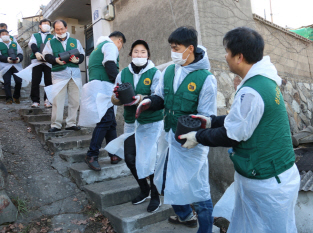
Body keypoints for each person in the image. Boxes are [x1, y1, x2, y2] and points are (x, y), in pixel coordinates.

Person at [179, 27, 300, 233]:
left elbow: (233, 134)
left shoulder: (251, 91)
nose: (225, 56)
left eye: (227, 52)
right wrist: (211, 121)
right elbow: (243, 121)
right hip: (269, 177)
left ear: (239, 57)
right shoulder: (264, 80)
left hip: (268, 182)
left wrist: (198, 136)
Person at [136, 27, 217, 232]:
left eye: (176, 48)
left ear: (190, 48)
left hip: (192, 143)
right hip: (170, 136)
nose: (173, 52)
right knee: (167, 180)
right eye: (171, 47)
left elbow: (207, 117)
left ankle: (205, 229)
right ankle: (185, 215)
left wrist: (195, 136)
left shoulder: (206, 78)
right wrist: (149, 103)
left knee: (198, 190)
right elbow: (160, 97)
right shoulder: (170, 71)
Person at [107, 39, 164, 213]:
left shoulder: (155, 73)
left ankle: (155, 195)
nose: (139, 55)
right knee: (130, 157)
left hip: (151, 123)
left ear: (148, 55)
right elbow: (115, 96)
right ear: (130, 54)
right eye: (136, 52)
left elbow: (158, 96)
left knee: (150, 160)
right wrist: (117, 97)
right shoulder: (123, 73)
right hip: (131, 122)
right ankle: (144, 189)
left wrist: (139, 98)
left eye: (143, 52)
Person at [79, 31, 125, 170]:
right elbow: (110, 64)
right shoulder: (110, 46)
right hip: (104, 88)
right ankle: (92, 154)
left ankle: (113, 154)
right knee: (105, 120)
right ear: (119, 41)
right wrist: (120, 84)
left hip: (96, 87)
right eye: (121, 45)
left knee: (110, 121)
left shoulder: (96, 50)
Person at [42, 19, 85, 132]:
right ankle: (56, 125)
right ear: (54, 30)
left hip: (74, 74)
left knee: (75, 100)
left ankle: (71, 123)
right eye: (57, 29)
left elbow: (81, 55)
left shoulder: (75, 41)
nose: (60, 31)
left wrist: (77, 60)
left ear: (66, 28)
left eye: (62, 29)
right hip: (59, 74)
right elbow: (46, 56)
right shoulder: (50, 42)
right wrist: (55, 60)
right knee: (57, 100)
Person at [28, 18, 54, 108]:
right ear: (40, 25)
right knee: (35, 80)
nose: (46, 25)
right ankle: (35, 100)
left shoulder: (53, 37)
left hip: (48, 62)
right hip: (37, 61)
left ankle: (48, 100)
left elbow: (54, 47)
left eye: (48, 24)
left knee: (49, 81)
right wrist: (36, 52)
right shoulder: (35, 35)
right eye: (44, 23)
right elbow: (32, 44)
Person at [0, 29, 23, 104]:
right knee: (7, 82)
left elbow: (20, 53)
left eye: (6, 34)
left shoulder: (14, 43)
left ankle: (16, 96)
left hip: (16, 66)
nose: (5, 35)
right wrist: (6, 59)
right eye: (3, 34)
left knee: (19, 81)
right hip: (5, 66)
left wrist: (19, 59)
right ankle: (9, 98)